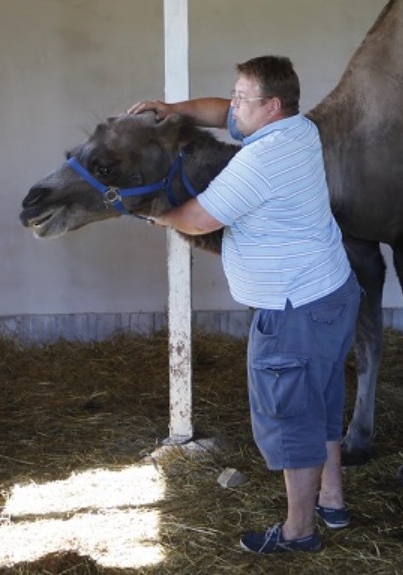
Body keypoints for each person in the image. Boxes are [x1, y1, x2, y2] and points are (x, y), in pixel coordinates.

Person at [128, 55, 360, 554]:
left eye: (242, 98)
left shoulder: (260, 160)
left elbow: (199, 218)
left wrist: (161, 216)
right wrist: (173, 109)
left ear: (272, 106)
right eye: (234, 95)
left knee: (291, 416)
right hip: (332, 293)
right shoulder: (301, 129)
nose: (231, 106)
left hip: (291, 309)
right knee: (320, 397)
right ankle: (332, 499)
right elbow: (219, 113)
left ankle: (298, 532)